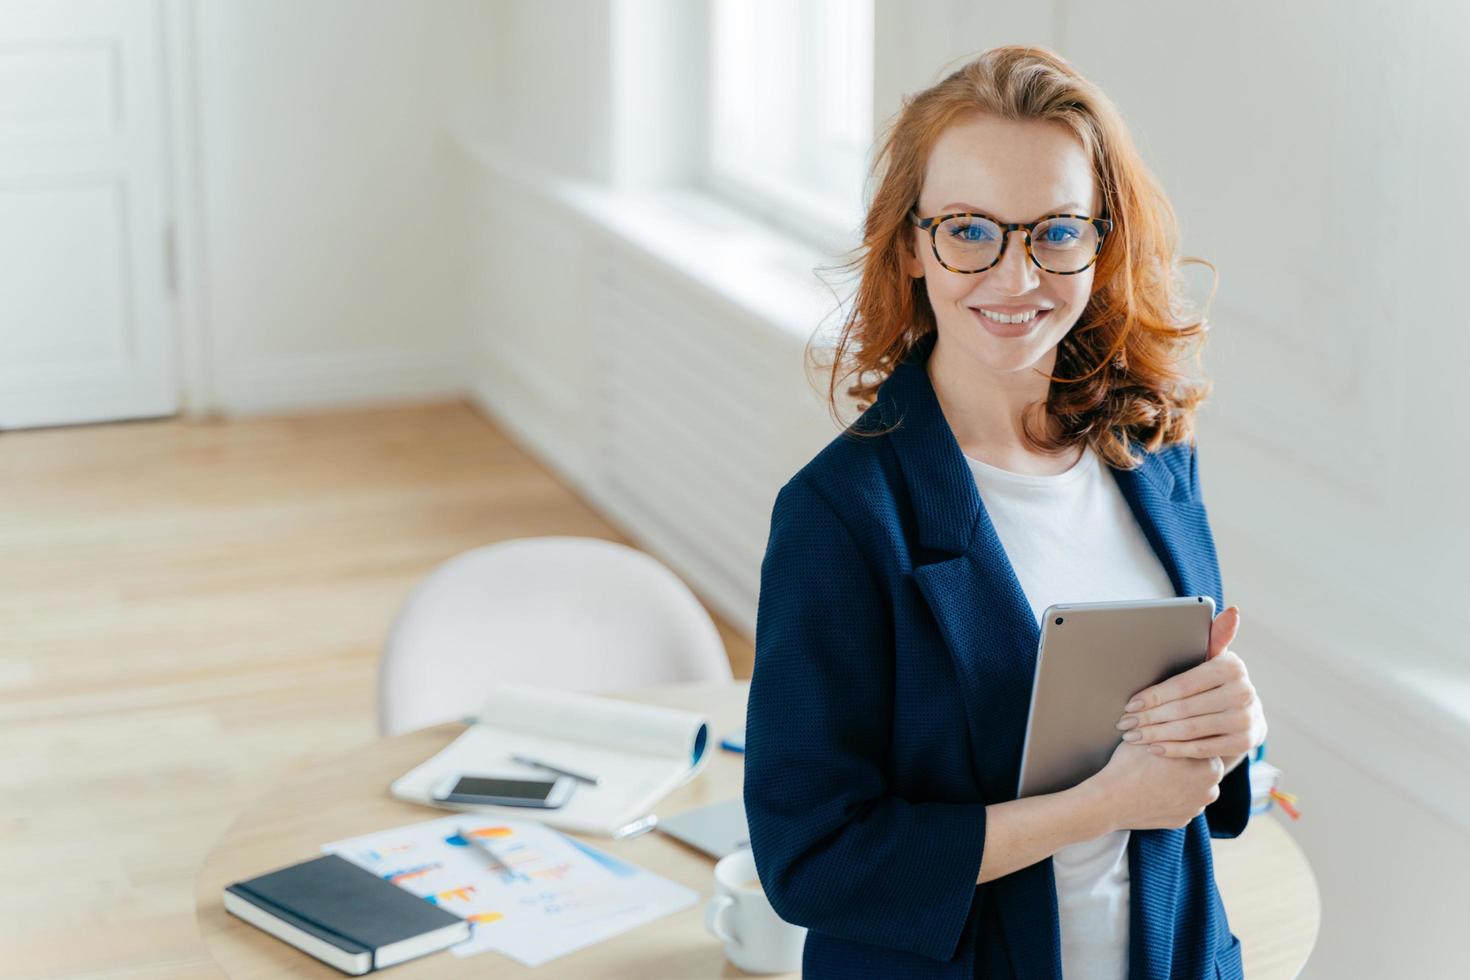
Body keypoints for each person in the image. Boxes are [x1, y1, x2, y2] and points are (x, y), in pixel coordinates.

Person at [743, 46, 1268, 980]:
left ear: (1101, 240)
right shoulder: (840, 515)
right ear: (911, 244)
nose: (1017, 275)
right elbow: (812, 861)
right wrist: (1100, 804)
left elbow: (1194, 785)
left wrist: (1233, 728)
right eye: (970, 230)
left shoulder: (1157, 457)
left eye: (1056, 231)